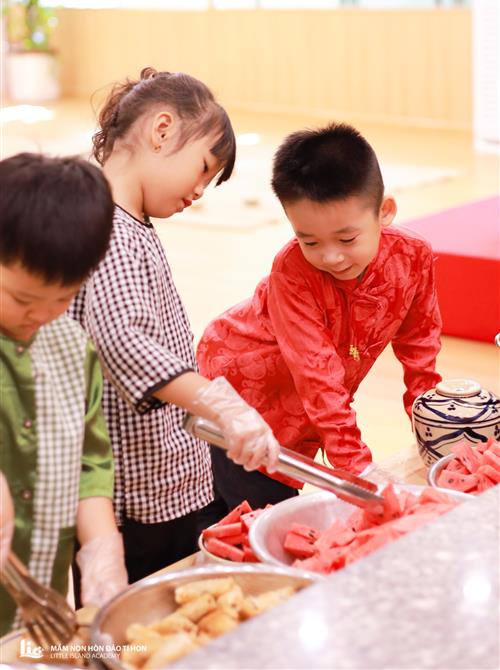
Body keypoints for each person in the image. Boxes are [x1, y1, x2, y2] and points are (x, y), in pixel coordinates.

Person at [69, 67, 279, 583]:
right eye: (203, 168)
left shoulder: (126, 222)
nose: (199, 191)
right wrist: (224, 405)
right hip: (136, 496)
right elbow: (125, 340)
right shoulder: (108, 227)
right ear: (161, 130)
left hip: (164, 475)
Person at [197, 122, 442, 515]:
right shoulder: (292, 271)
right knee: (257, 510)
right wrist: (357, 469)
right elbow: (318, 376)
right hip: (240, 392)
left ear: (384, 211)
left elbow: (420, 342)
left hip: (300, 402)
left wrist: (431, 423)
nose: (331, 256)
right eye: (308, 240)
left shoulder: (413, 256)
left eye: (347, 239)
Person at [0, 153, 128, 636]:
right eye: (22, 299)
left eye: (63, 298)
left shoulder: (72, 346)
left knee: (43, 658)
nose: (41, 315)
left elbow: (89, 464)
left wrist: (102, 554)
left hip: (38, 600)